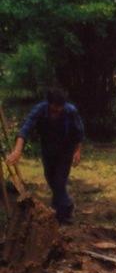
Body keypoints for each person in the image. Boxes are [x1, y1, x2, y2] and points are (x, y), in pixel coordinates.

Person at [5, 88, 84, 224]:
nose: (56, 113)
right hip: (48, 148)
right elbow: (25, 129)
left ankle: (64, 213)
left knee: (59, 181)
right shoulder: (40, 110)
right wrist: (17, 151)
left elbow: (79, 132)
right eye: (54, 109)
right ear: (49, 104)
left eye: (59, 109)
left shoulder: (71, 111)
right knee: (50, 178)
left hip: (66, 149)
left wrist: (77, 151)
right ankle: (61, 205)